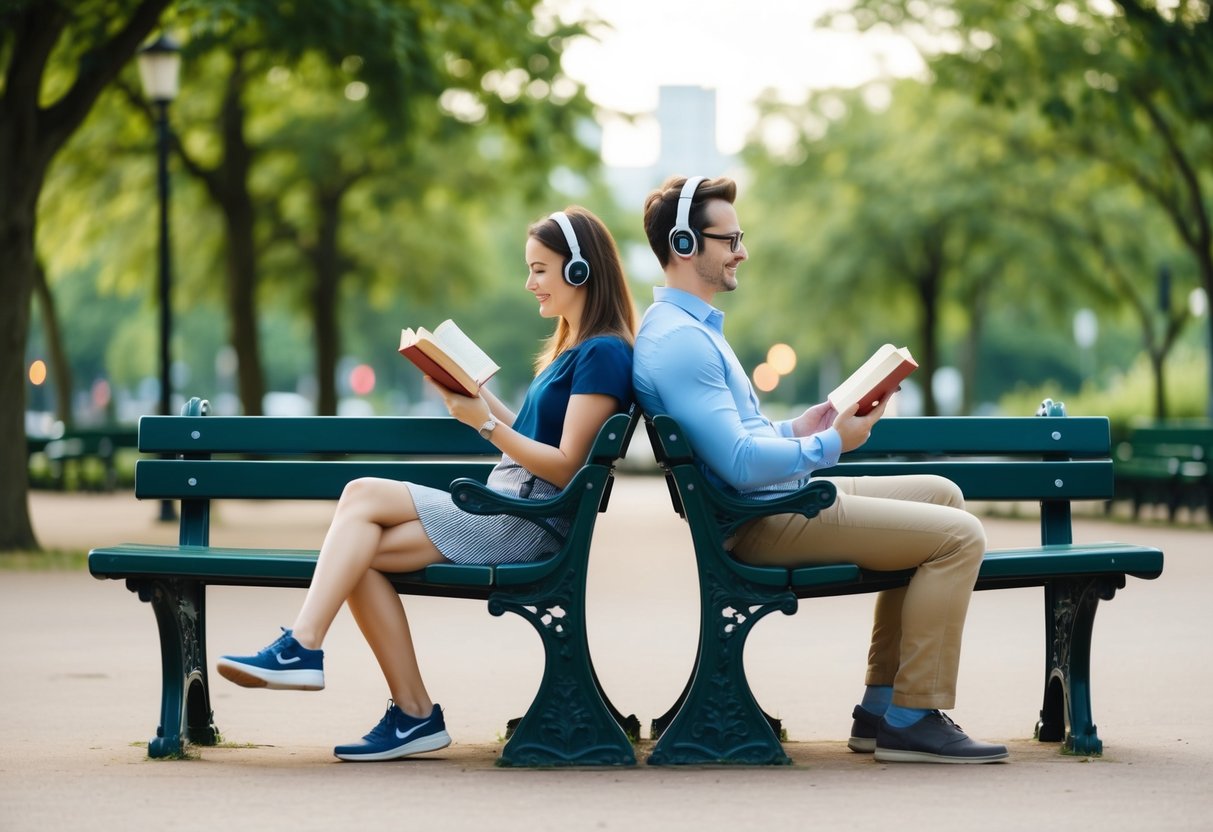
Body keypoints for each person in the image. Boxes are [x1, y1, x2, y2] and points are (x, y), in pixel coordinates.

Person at [217, 206, 637, 762]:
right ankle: (414, 714)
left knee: (361, 494)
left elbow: (564, 466)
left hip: (524, 523)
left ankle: (302, 648)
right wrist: (474, 395)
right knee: (357, 556)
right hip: (511, 510)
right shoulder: (575, 347)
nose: (529, 283)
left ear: (580, 272)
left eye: (540, 269)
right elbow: (536, 437)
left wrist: (482, 424)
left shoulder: (603, 353)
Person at [632, 175, 1007, 765]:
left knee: (942, 495)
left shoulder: (689, 331)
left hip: (765, 502)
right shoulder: (681, 342)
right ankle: (913, 718)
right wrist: (832, 444)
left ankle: (881, 708)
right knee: (962, 538)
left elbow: (742, 443)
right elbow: (738, 462)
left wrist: (801, 428)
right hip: (758, 519)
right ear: (684, 244)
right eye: (729, 239)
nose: (742, 251)